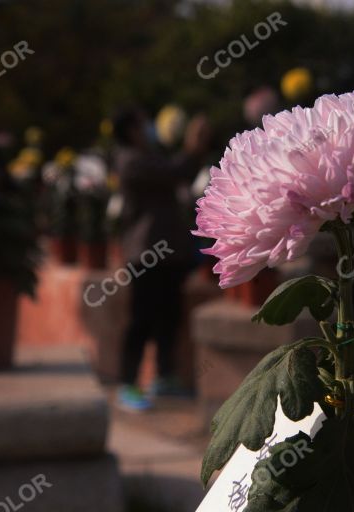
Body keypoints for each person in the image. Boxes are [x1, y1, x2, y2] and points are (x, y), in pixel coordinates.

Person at [112, 106, 211, 412]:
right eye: (143, 125)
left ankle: (165, 377)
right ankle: (127, 383)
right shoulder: (129, 161)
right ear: (130, 130)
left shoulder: (150, 156)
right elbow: (175, 173)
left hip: (170, 253)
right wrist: (192, 148)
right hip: (145, 254)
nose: (149, 130)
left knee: (169, 316)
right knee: (141, 320)